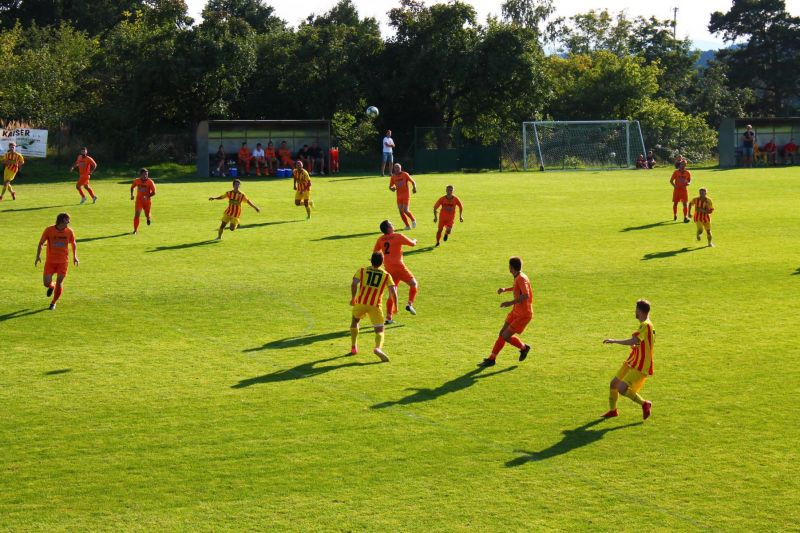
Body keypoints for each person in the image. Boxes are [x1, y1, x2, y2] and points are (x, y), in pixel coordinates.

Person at [601, 299, 654, 420]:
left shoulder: (646, 325)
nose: (634, 311)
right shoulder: (646, 325)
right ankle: (613, 411)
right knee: (614, 383)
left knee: (621, 388)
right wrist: (637, 347)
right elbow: (644, 343)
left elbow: (634, 340)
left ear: (640, 311)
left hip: (641, 364)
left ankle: (645, 404)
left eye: (636, 309)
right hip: (633, 360)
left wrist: (614, 341)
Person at [477, 256, 533, 367]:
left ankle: (524, 348)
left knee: (506, 336)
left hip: (523, 314)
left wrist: (510, 303)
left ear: (511, 268)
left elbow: (525, 295)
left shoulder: (521, 278)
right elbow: (517, 288)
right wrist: (505, 289)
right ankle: (491, 358)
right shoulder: (518, 276)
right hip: (516, 311)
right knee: (502, 333)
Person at [350, 251, 398, 362]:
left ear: (371, 260)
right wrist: (395, 306)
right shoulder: (386, 275)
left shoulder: (362, 270)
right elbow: (393, 292)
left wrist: (353, 298)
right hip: (375, 306)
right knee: (379, 330)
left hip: (361, 303)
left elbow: (354, 284)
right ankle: (377, 348)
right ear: (382, 262)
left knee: (355, 321)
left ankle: (353, 347)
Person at [373, 219, 418, 323]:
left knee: (392, 293)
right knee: (414, 284)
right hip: (399, 267)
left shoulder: (380, 239)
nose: (393, 225)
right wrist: (415, 240)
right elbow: (412, 244)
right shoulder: (398, 236)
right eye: (391, 224)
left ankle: (388, 318)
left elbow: (376, 252)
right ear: (388, 228)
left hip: (388, 268)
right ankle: (409, 304)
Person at [35, 212, 79, 311]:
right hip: (50, 261)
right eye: (67, 219)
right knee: (46, 283)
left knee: (60, 282)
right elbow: (41, 243)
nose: (69, 221)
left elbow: (73, 242)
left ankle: (53, 302)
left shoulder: (69, 231)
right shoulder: (49, 230)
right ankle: (52, 285)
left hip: (63, 261)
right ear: (61, 220)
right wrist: (38, 256)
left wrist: (75, 256)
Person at [389, 163, 417, 230]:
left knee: (405, 210)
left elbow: (413, 182)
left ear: (400, 168)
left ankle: (413, 220)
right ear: (394, 169)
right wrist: (392, 188)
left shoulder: (405, 174)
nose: (397, 169)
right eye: (395, 168)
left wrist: (414, 188)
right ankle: (407, 226)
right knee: (400, 211)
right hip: (399, 196)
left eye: (398, 167)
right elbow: (390, 186)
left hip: (405, 194)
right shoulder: (393, 177)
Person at [130, 168, 157, 234]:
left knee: (147, 215)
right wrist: (132, 195)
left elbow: (154, 192)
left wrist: (147, 196)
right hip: (139, 201)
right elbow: (132, 187)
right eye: (144, 174)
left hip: (147, 201)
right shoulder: (137, 180)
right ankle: (135, 230)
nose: (146, 176)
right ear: (140, 175)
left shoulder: (150, 182)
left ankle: (148, 219)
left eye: (147, 174)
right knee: (137, 215)